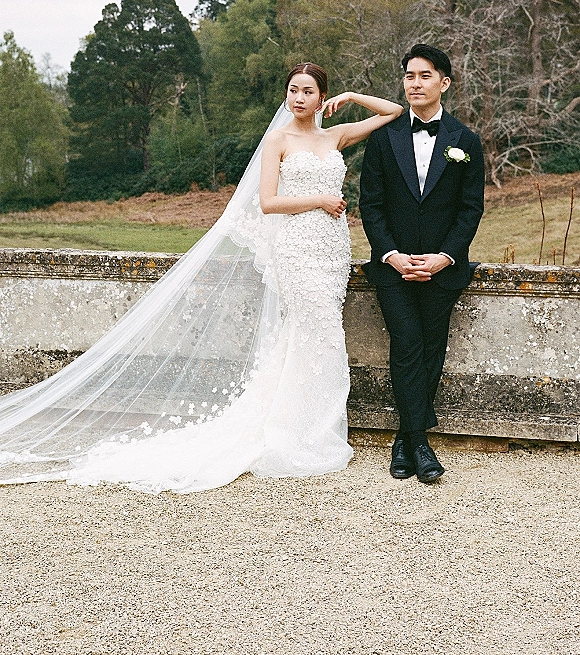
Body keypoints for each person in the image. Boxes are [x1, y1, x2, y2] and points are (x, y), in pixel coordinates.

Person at [0, 63, 402, 493]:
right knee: (321, 333)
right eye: (292, 90)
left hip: (331, 251)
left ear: (323, 97)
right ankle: (299, 435)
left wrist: (354, 97)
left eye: (308, 91)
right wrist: (319, 199)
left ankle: (304, 427)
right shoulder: (277, 140)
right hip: (297, 249)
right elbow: (268, 202)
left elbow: (393, 111)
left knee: (309, 336)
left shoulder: (333, 136)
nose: (299, 98)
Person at [359, 44, 485, 483]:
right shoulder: (383, 138)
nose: (414, 83)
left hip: (443, 268)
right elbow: (370, 206)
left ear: (443, 83)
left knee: (431, 349)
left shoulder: (465, 141)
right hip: (392, 267)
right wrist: (392, 256)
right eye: (409, 76)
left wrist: (443, 257)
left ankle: (405, 439)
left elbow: (471, 208)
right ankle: (420, 445)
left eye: (424, 76)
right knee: (407, 344)